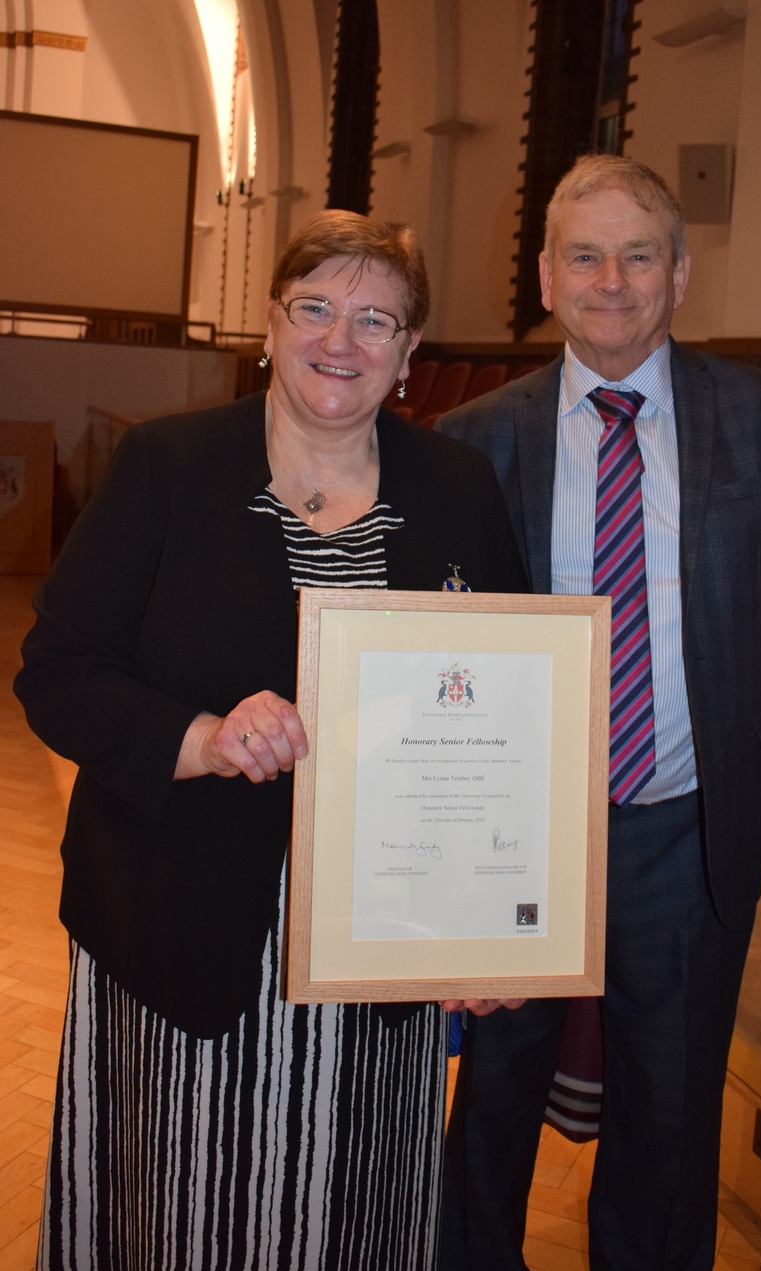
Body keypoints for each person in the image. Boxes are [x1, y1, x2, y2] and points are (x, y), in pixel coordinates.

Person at [15, 210, 528, 1271]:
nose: (341, 339)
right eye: (317, 308)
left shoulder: (459, 489)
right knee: (186, 1209)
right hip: (182, 926)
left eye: (376, 319)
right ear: (269, 322)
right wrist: (199, 735)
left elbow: (509, 716)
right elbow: (55, 673)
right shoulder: (167, 465)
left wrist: (491, 925)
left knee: (358, 1214)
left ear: (408, 355)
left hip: (379, 933)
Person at [438, 154, 761, 1270]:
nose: (610, 278)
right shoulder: (476, 436)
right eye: (584, 254)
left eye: (637, 254)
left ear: (678, 274)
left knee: (668, 1108)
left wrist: (691, 708)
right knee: (493, 1090)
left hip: (684, 815)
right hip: (517, 825)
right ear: (545, 275)